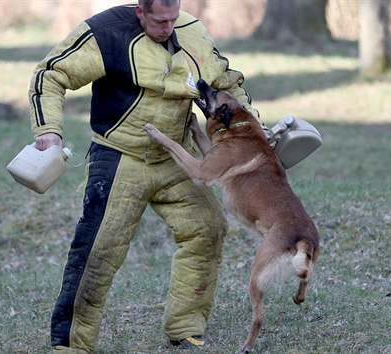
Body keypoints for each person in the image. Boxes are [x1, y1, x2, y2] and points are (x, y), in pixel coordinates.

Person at [27, 0, 261, 352]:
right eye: (160, 20)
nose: (169, 27)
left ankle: (184, 327)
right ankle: (71, 345)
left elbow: (227, 83)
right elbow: (50, 74)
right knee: (96, 252)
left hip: (176, 155)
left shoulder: (192, 31)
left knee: (208, 228)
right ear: (140, 11)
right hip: (120, 156)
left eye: (173, 18)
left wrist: (256, 126)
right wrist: (48, 129)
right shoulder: (106, 33)